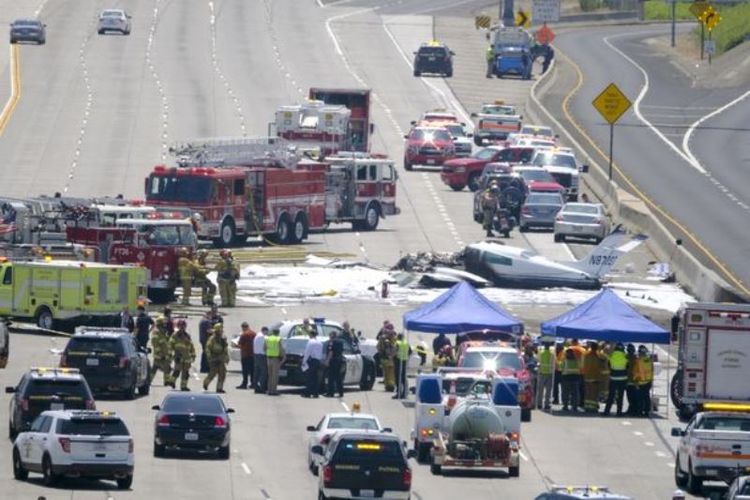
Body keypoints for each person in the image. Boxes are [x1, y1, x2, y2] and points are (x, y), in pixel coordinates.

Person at [603, 343, 628, 416]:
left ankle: (607, 411)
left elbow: (609, 366)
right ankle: (619, 412)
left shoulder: (611, 356)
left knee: (611, 396)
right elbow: (627, 367)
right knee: (620, 396)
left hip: (613, 379)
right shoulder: (625, 357)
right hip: (623, 379)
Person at [170, 319, 196, 391]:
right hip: (179, 356)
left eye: (183, 326)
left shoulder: (187, 335)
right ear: (178, 326)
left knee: (186, 373)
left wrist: (193, 355)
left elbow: (191, 346)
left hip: (187, 357)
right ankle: (172, 382)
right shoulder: (175, 335)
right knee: (177, 371)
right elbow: (170, 344)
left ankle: (183, 386)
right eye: (180, 326)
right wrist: (171, 354)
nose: (182, 328)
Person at [203, 324, 229, 393]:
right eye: (220, 329)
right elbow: (208, 348)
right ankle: (206, 383)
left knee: (222, 374)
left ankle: (219, 388)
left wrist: (226, 357)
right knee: (212, 373)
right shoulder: (212, 339)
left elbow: (225, 349)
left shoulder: (223, 339)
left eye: (222, 329)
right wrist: (209, 357)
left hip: (221, 358)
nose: (222, 331)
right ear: (217, 330)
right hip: (213, 359)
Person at [150, 317, 175, 388]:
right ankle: (166, 381)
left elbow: (166, 341)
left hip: (164, 355)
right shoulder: (156, 333)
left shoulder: (162, 332)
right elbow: (156, 345)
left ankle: (150, 381)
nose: (165, 325)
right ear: (159, 324)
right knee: (165, 368)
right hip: (160, 355)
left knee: (156, 368)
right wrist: (161, 354)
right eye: (163, 323)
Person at [301, 328, 324, 398]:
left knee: (309, 378)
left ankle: (308, 393)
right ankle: (315, 393)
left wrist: (304, 361)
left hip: (311, 361)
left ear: (311, 334)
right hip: (317, 361)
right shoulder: (320, 343)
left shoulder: (310, 342)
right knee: (315, 378)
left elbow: (307, 352)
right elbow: (321, 353)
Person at [582, 342, 604, 413]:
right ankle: (593, 407)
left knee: (587, 393)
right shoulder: (598, 356)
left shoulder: (586, 355)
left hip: (587, 377)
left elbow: (583, 364)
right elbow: (601, 366)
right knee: (594, 394)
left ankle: (587, 406)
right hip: (595, 377)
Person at [633, 345, 654, 417]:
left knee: (640, 398)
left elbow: (635, 372)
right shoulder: (649, 361)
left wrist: (635, 382)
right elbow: (652, 371)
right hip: (648, 382)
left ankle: (639, 412)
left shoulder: (638, 361)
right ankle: (646, 412)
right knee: (647, 397)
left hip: (640, 382)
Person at [265, 328, 285, 395]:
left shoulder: (268, 338)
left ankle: (269, 390)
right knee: (275, 376)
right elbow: (281, 349)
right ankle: (274, 391)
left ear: (273, 332)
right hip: (275, 359)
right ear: (278, 333)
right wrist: (283, 357)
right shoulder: (278, 339)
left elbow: (264, 348)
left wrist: (268, 353)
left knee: (270, 375)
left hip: (268, 358)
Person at [377, 325, 397, 392]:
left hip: (384, 359)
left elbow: (378, 347)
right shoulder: (393, 339)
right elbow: (394, 349)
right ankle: (391, 386)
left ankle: (387, 386)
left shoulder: (382, 338)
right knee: (391, 374)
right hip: (391, 359)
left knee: (386, 373)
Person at [236, 322, 256, 389]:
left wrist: (236, 345)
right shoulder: (254, 333)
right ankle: (253, 383)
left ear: (243, 327)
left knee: (245, 371)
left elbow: (240, 344)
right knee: (252, 370)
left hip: (245, 355)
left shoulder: (243, 335)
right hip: (252, 355)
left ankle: (244, 383)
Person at [326, 330, 345, 398]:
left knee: (331, 377)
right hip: (339, 360)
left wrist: (327, 361)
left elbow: (331, 352)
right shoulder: (341, 342)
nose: (329, 337)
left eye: (330, 335)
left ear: (332, 335)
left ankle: (330, 393)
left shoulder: (332, 342)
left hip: (333, 361)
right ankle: (341, 392)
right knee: (338, 377)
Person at [536, 343, 555, 410]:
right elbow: (554, 364)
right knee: (548, 391)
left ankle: (539, 404)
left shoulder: (540, 354)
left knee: (540, 390)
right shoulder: (552, 355)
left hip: (541, 373)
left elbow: (538, 363)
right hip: (549, 374)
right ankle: (547, 404)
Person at [393, 332, 411, 400]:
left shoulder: (397, 343)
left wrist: (391, 356)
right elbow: (410, 352)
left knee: (398, 378)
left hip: (398, 360)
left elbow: (395, 352)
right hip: (405, 361)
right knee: (403, 377)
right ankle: (404, 393)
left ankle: (399, 393)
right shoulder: (406, 343)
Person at [253, 326, 268, 393]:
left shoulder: (256, 336)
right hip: (262, 356)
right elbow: (266, 347)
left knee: (257, 372)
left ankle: (256, 386)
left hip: (256, 355)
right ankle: (261, 387)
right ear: (265, 331)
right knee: (263, 372)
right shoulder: (264, 337)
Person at [625, 343, 638, 415]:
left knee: (630, 397)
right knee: (634, 397)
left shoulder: (626, 357)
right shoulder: (636, 358)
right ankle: (634, 409)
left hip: (628, 380)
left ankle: (631, 409)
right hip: (635, 380)